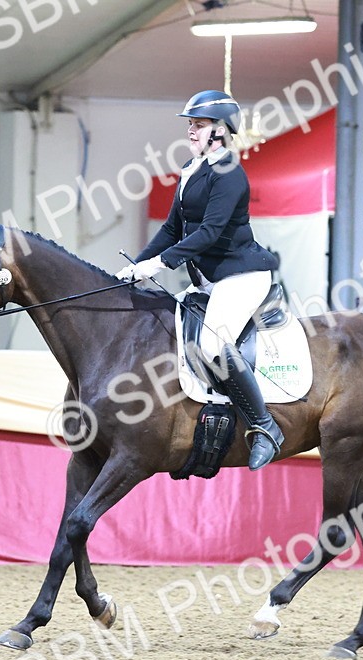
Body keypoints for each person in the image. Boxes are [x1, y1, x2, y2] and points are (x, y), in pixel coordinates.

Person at [116, 90, 283, 470]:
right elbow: (172, 229)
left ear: (221, 131)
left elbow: (208, 233)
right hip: (209, 279)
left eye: (199, 125)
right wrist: (136, 266)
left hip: (241, 276)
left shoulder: (230, 175)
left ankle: (264, 426)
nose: (191, 131)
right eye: (190, 125)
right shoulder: (191, 170)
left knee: (211, 344)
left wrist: (158, 266)